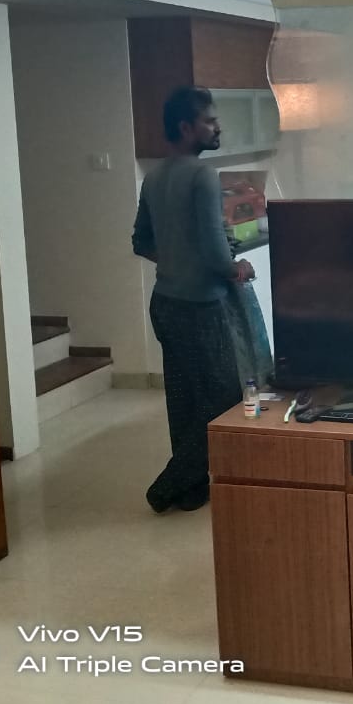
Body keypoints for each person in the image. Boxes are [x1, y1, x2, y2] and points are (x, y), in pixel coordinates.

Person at [132, 86, 254, 512]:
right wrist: (238, 268)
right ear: (186, 128)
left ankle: (192, 490)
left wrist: (176, 260)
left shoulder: (154, 177)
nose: (217, 127)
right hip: (201, 307)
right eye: (209, 121)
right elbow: (216, 252)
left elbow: (141, 241)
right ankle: (168, 486)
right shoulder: (202, 176)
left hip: (165, 302)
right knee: (225, 398)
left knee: (184, 398)